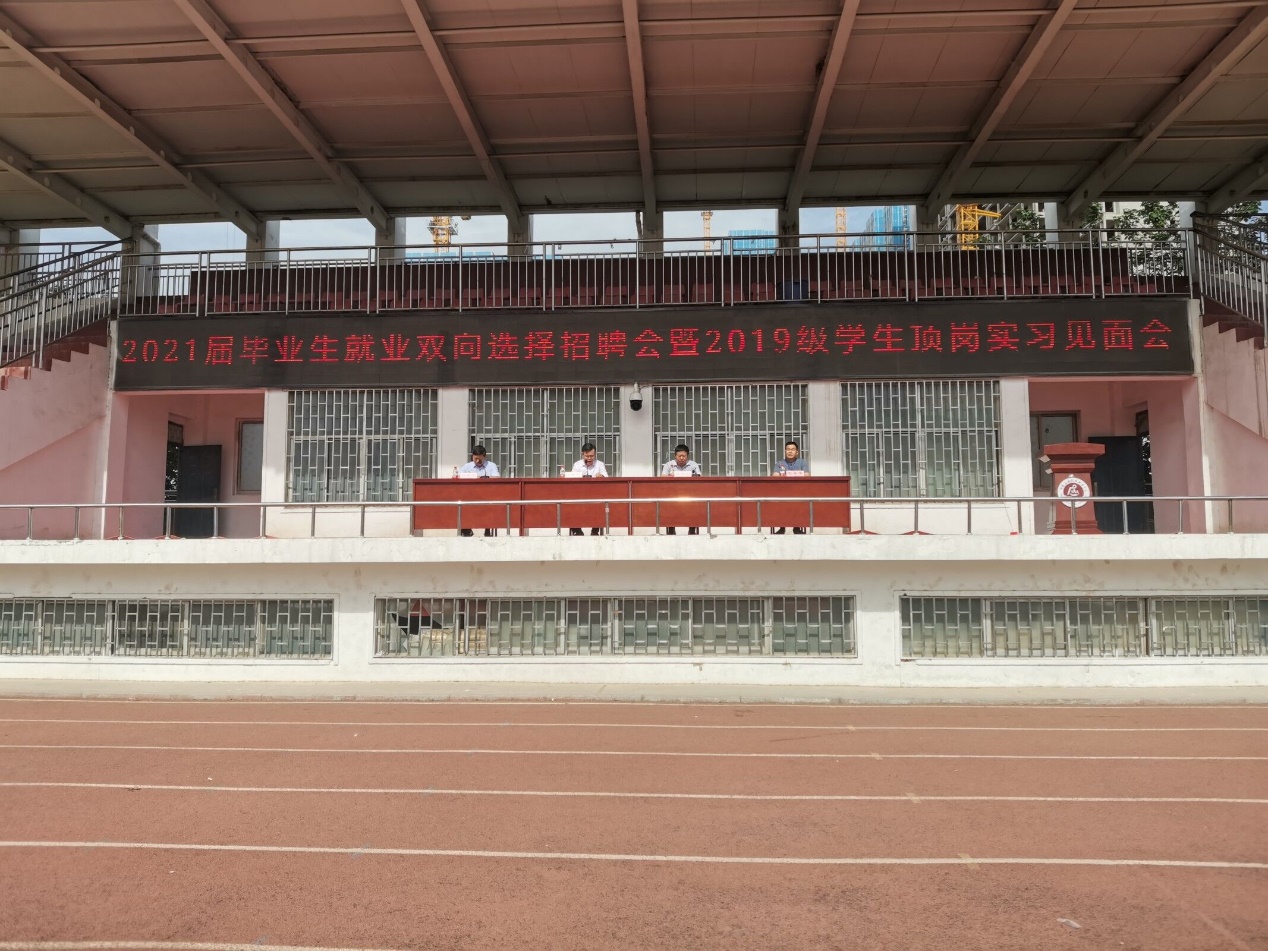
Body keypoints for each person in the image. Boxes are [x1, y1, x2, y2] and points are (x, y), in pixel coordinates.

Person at [457, 444, 499, 536]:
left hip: (487, 495)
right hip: (470, 495)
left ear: (485, 456)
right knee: (463, 504)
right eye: (475, 459)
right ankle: (466, 529)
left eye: (480, 459)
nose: (477, 461)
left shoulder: (491, 465)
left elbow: (497, 477)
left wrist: (484, 478)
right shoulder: (467, 466)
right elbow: (459, 476)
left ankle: (488, 529)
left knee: (489, 505)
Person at [660, 442, 702, 535]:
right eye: (679, 456)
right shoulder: (669, 465)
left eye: (684, 456)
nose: (682, 458)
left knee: (693, 509)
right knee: (670, 508)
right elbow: (662, 477)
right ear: (675, 455)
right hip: (673, 493)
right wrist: (671, 476)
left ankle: (692, 529)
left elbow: (699, 476)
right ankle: (671, 529)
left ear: (688, 455)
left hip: (690, 493)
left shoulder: (693, 464)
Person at [569, 441, 608, 535]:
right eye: (587, 456)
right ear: (582, 454)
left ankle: (595, 531)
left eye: (592, 456)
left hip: (596, 494)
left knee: (599, 506)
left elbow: (606, 477)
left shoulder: (600, 464)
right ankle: (577, 530)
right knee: (572, 506)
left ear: (595, 454)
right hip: (579, 494)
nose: (589, 458)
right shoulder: (577, 464)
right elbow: (571, 478)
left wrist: (601, 476)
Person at [772, 439, 810, 535]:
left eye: (793, 449)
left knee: (798, 506)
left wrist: (786, 474)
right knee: (781, 506)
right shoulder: (779, 463)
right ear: (785, 451)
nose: (790, 451)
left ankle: (797, 528)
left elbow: (807, 475)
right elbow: (775, 475)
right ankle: (782, 527)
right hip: (783, 491)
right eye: (788, 449)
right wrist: (796, 474)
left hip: (799, 491)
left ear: (797, 452)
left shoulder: (802, 462)